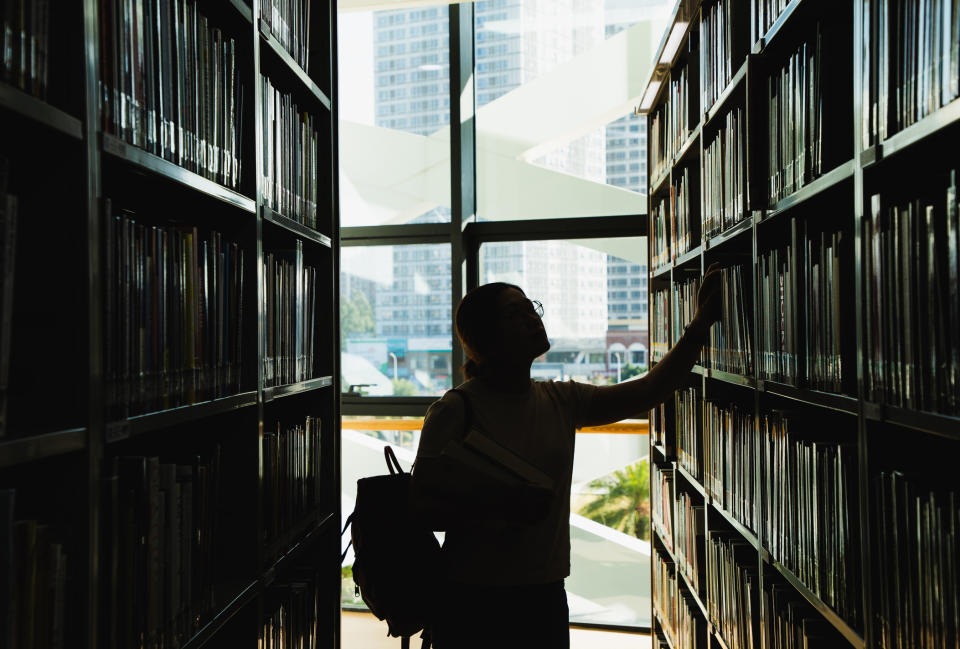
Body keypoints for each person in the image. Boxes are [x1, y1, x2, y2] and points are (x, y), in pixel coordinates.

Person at [409, 263, 723, 648]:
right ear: (484, 337)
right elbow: (421, 509)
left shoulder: (560, 400)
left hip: (544, 591)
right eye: (514, 313)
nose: (532, 319)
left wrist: (702, 323)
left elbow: (648, 391)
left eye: (531, 308)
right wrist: (500, 504)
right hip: (472, 596)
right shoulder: (455, 410)